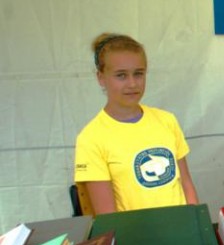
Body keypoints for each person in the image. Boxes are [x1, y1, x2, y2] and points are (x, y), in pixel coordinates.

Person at [74, 33, 199, 214]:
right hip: (134, 238)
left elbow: (186, 184)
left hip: (180, 230)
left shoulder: (167, 120)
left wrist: (194, 224)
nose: (132, 83)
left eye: (138, 74)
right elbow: (107, 216)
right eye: (121, 75)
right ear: (101, 78)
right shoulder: (91, 138)